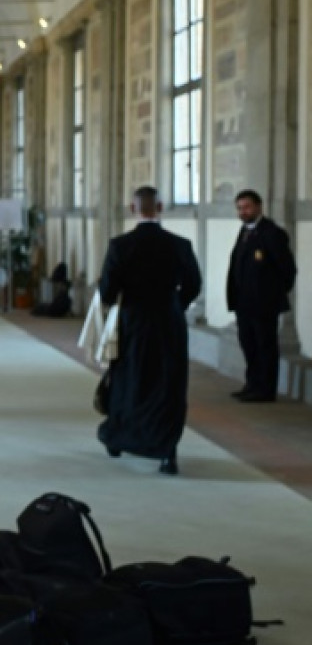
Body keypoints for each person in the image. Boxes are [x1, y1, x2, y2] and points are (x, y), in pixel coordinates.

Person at [97, 187, 202, 475]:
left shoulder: (120, 246)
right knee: (167, 384)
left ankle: (119, 438)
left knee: (129, 380)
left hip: (133, 323)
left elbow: (107, 291)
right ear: (161, 207)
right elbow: (194, 285)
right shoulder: (180, 245)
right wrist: (174, 306)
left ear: (133, 209)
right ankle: (167, 451)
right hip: (169, 324)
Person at [227, 188, 297, 403]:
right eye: (239, 208)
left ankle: (266, 389)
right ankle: (252, 384)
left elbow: (288, 270)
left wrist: (272, 295)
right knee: (248, 344)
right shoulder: (245, 232)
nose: (243, 211)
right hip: (243, 303)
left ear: (259, 207)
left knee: (265, 346)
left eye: (247, 207)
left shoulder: (272, 233)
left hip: (264, 304)